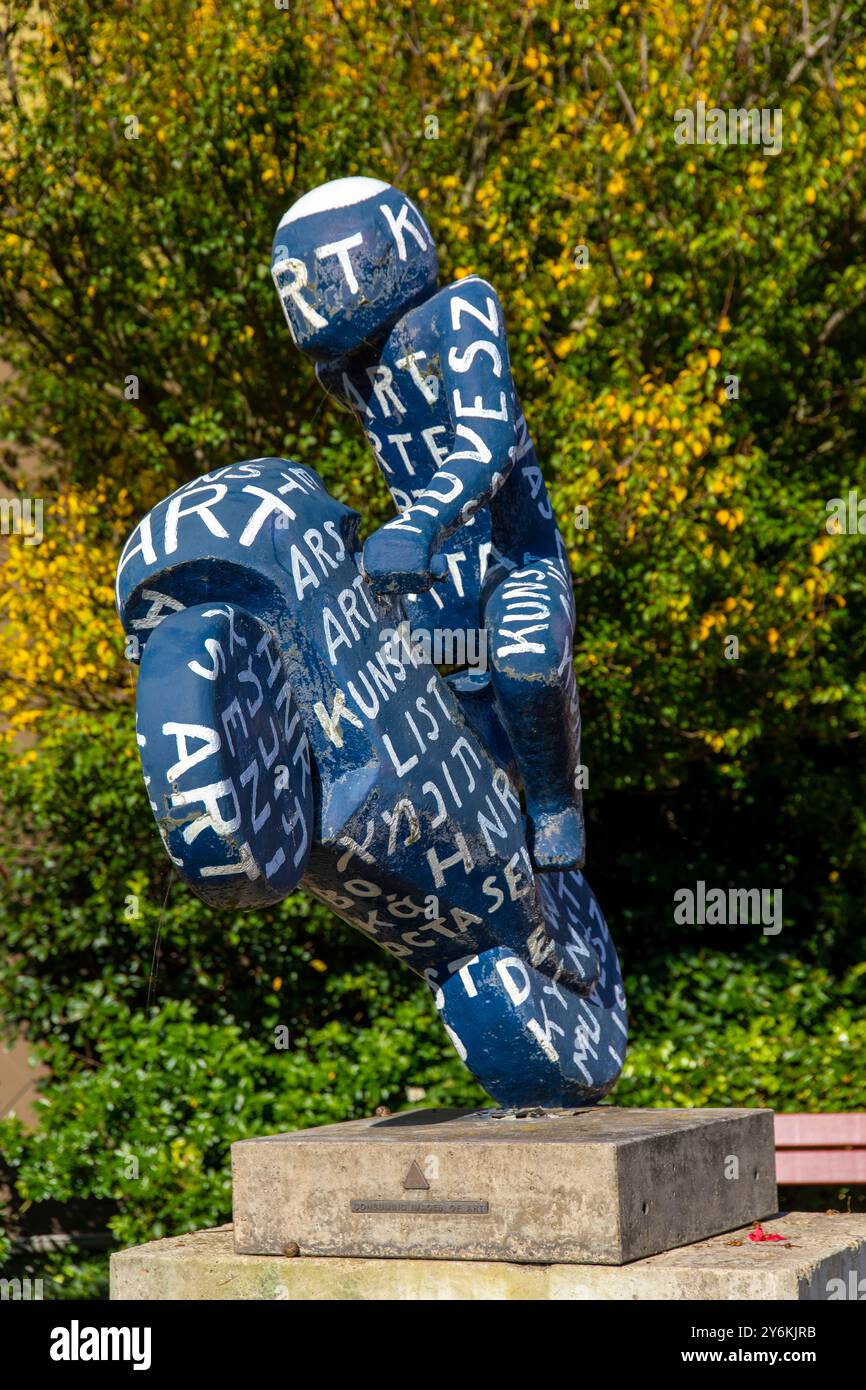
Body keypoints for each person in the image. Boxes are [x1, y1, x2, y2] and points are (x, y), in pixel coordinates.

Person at [271, 176, 585, 871]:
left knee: (527, 662)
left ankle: (556, 799)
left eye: (309, 273)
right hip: (433, 577)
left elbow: (488, 438)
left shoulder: (463, 309)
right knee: (417, 718)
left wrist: (422, 520)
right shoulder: (347, 374)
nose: (302, 292)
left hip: (514, 561)